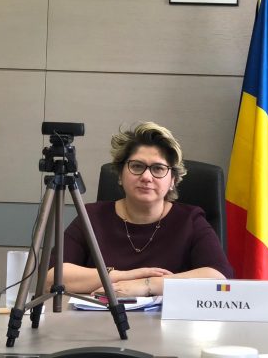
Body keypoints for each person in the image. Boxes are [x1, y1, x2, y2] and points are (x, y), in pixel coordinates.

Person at [46, 121, 233, 297]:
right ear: (120, 175)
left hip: (165, 320)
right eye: (137, 166)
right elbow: (51, 278)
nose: (146, 177)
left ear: (172, 180)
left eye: (158, 169)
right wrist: (123, 276)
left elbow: (219, 277)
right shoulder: (91, 216)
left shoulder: (190, 220)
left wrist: (147, 285)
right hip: (101, 318)